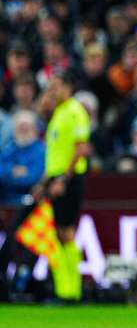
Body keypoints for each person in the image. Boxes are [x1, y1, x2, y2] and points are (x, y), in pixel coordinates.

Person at [31, 70, 91, 302]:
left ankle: (71, 290)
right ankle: (65, 290)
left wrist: (63, 180)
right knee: (58, 233)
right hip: (56, 177)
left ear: (68, 87)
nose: (53, 91)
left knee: (66, 232)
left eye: (57, 86)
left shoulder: (76, 111)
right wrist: (44, 181)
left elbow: (80, 148)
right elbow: (55, 152)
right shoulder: (59, 112)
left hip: (70, 178)